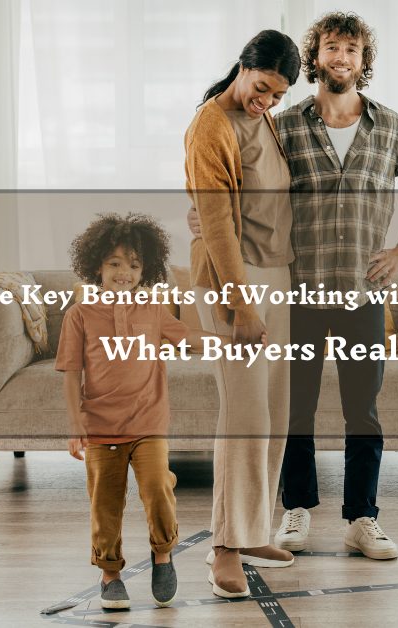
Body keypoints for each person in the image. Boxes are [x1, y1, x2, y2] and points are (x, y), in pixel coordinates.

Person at [272, 11, 398, 560]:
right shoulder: (287, 125)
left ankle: (362, 519)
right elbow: (252, 189)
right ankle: (295, 510)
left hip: (363, 295)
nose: (341, 58)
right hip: (300, 294)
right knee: (294, 407)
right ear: (313, 56)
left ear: (363, 62)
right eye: (331, 47)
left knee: (361, 411)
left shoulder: (389, 127)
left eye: (351, 49)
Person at [56, 213, 227, 610]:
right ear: (96, 265)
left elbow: (189, 338)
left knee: (157, 489)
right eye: (114, 264)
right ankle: (110, 573)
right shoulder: (79, 316)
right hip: (100, 427)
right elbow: (70, 373)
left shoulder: (152, 310)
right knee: (105, 503)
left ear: (145, 268)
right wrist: (74, 421)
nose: (124, 273)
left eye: (134, 265)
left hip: (148, 422)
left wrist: (234, 341)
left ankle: (163, 554)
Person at [184, 29, 302, 599]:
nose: (266, 101)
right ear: (242, 67)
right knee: (244, 416)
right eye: (261, 88)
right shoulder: (212, 125)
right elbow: (216, 225)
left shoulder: (264, 119)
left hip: (274, 276)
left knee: (272, 414)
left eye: (276, 95)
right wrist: (241, 305)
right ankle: (224, 548)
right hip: (238, 286)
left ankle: (253, 530)